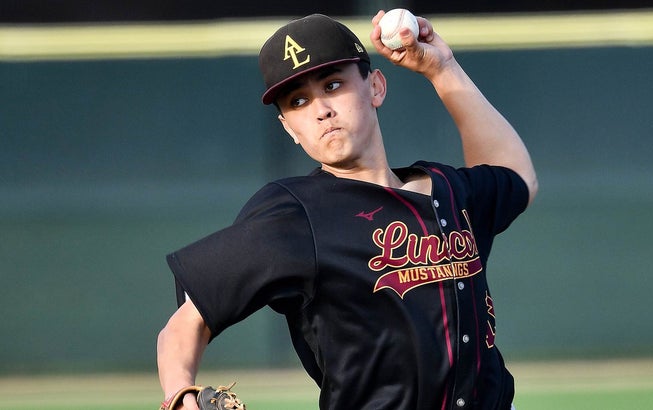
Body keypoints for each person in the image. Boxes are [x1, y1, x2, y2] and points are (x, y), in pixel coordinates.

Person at [157, 10, 538, 410]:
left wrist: (442, 69)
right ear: (289, 128)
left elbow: (515, 177)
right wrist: (180, 395)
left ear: (375, 87)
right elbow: (186, 322)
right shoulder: (295, 213)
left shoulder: (449, 190)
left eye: (333, 85)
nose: (321, 110)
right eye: (299, 101)